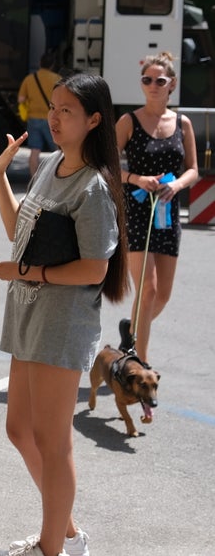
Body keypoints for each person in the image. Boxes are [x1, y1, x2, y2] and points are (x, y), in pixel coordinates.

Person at [0, 73, 128, 556]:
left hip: (62, 322)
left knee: (52, 439)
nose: (56, 117)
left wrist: (24, 271)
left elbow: (94, 269)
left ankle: (51, 550)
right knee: (19, 429)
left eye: (68, 110)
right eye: (54, 107)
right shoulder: (51, 167)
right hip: (29, 312)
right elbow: (16, 230)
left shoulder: (94, 188)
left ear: (93, 120)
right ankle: (66, 535)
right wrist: (0, 174)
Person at [115, 52, 198, 363]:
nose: (152, 85)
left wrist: (176, 184)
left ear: (171, 84)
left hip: (167, 212)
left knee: (162, 295)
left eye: (159, 80)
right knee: (147, 289)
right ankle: (138, 360)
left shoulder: (182, 123)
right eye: (146, 80)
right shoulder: (129, 121)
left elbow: (192, 169)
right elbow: (106, 165)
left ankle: (132, 332)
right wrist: (136, 178)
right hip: (136, 211)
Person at [18, 50, 60, 178]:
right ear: (52, 65)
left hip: (33, 119)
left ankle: (34, 181)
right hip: (52, 119)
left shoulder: (29, 79)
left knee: (34, 151)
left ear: (40, 63)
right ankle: (57, 179)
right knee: (58, 151)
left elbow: (21, 100)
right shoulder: (57, 79)